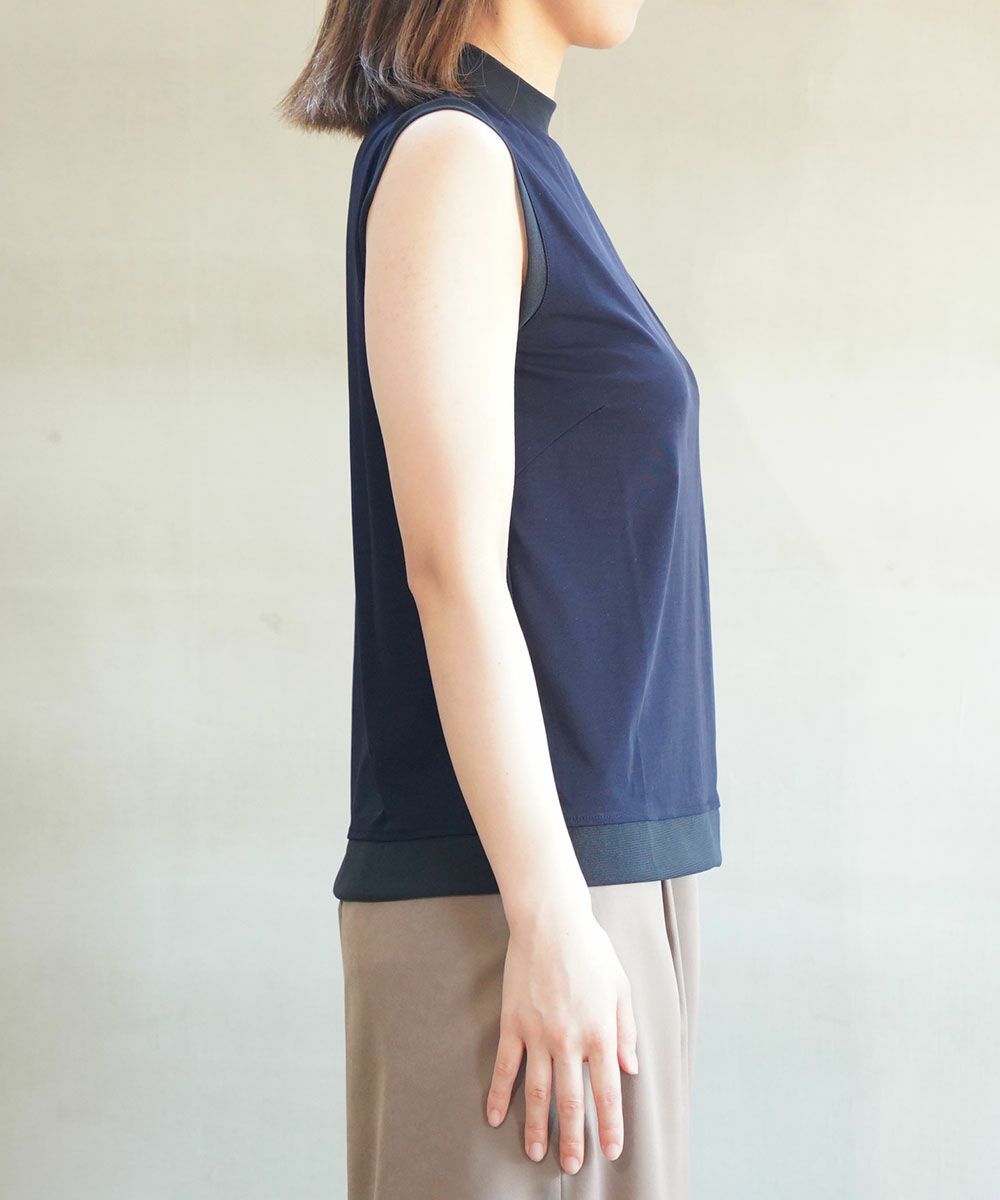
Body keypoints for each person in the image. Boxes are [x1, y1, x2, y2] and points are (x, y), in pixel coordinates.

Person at [281, 3, 722, 1196]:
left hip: (586, 871)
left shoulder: (514, 160)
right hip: (511, 893)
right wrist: (547, 914)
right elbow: (449, 566)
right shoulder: (453, 156)